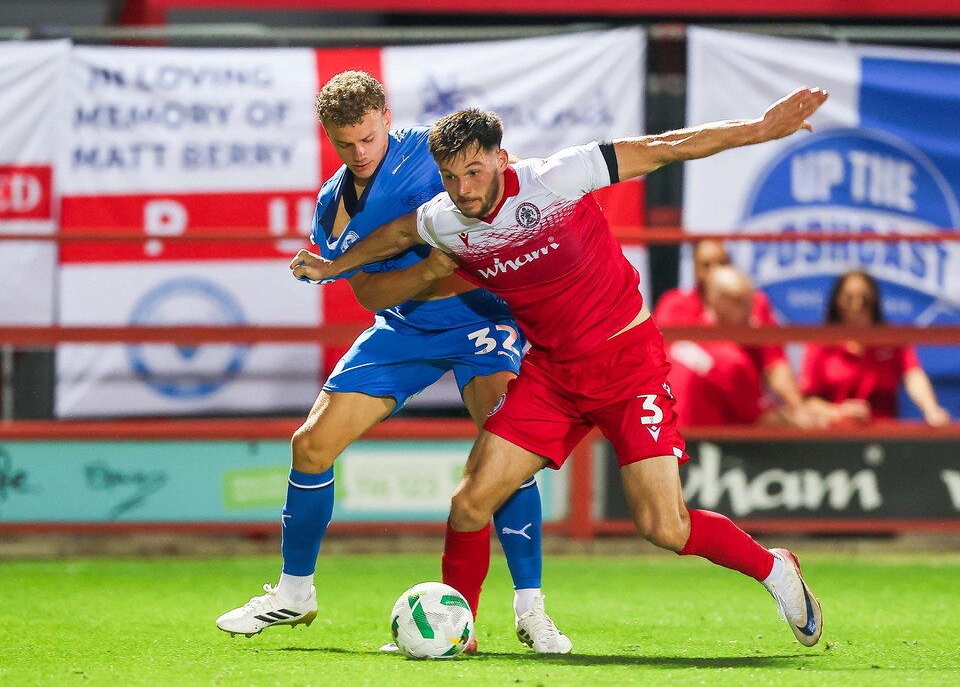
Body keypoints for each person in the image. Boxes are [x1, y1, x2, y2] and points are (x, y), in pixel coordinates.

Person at [296, 86, 830, 647]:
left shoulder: (557, 178)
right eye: (450, 178)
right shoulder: (444, 219)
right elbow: (398, 233)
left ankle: (776, 570)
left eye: (474, 172)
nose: (463, 189)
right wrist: (334, 265)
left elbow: (666, 147)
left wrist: (759, 129)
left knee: (664, 527)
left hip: (625, 366)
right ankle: (461, 629)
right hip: (552, 374)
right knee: (470, 504)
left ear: (502, 158)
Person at [217, 71, 572, 655]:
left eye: (368, 137)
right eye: (345, 143)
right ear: (328, 136)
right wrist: (426, 271)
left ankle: (530, 609)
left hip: (481, 320)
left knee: (504, 456)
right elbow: (370, 296)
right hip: (404, 327)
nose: (359, 152)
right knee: (310, 445)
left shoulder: (435, 156)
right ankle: (294, 592)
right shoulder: (332, 207)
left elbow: (500, 211)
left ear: (386, 116)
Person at [654, 239, 818, 425]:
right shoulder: (674, 305)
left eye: (722, 262)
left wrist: (799, 409)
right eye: (706, 265)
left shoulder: (757, 303)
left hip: (732, 412)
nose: (715, 270)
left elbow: (774, 363)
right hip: (689, 421)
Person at [801, 270, 951, 427]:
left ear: (875, 301)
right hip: (833, 433)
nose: (857, 305)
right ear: (837, 301)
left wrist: (931, 409)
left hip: (884, 432)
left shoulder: (891, 338)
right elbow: (808, 400)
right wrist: (838, 413)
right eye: (849, 298)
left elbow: (913, 375)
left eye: (865, 298)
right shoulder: (820, 342)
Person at [669, 266, 796, 427]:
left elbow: (776, 366)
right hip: (698, 441)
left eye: (750, 300)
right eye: (738, 301)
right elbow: (764, 421)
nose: (749, 309)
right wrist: (801, 420)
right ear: (714, 300)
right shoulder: (730, 358)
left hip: (659, 438)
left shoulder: (681, 338)